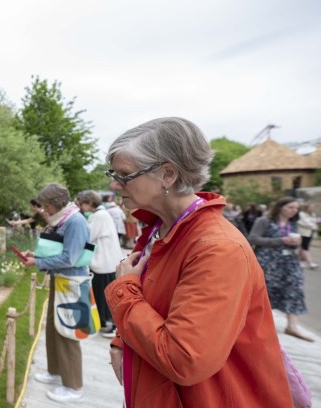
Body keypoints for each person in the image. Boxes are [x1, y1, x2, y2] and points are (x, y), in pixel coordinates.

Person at [103, 117, 291, 407]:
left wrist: (123, 292)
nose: (115, 184)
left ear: (167, 174)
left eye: (125, 174)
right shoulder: (162, 228)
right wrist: (121, 340)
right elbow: (153, 304)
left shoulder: (216, 249)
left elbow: (184, 359)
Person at [23, 183, 90, 402]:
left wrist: (37, 262)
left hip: (71, 282)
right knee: (53, 327)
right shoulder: (63, 219)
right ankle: (55, 371)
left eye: (45, 206)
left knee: (68, 331)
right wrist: (34, 255)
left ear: (56, 204)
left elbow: (69, 258)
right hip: (59, 279)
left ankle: (74, 386)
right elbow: (57, 250)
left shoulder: (75, 221)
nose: (44, 210)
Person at [249, 197, 314, 341]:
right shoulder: (264, 221)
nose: (294, 211)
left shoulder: (293, 223)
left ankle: (292, 326)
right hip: (268, 262)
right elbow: (253, 239)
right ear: (280, 207)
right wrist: (281, 240)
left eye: (296, 208)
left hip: (289, 261)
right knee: (267, 291)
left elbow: (294, 243)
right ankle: (257, 324)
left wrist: (296, 243)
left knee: (295, 288)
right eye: (290, 207)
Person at [76, 190, 122, 338]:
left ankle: (114, 326)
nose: (81, 207)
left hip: (104, 261)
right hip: (106, 260)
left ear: (89, 203)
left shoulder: (99, 216)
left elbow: (88, 235)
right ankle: (105, 321)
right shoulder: (101, 214)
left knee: (105, 295)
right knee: (103, 293)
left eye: (82, 203)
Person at [297, 203, 318, 269]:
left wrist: (313, 225)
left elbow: (314, 222)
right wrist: (312, 225)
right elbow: (304, 223)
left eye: (313, 207)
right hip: (303, 233)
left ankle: (297, 261)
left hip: (310, 233)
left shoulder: (313, 214)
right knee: (305, 248)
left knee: (302, 248)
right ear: (307, 207)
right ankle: (310, 263)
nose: (312, 208)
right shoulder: (301, 214)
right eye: (311, 207)